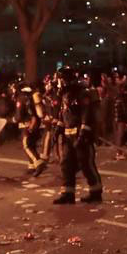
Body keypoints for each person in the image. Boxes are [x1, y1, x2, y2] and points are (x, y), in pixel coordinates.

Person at [53, 67, 103, 204]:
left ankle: (96, 192)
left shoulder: (81, 93)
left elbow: (86, 114)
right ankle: (68, 194)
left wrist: (83, 133)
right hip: (68, 136)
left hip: (81, 135)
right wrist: (58, 129)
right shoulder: (65, 94)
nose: (57, 83)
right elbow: (63, 114)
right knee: (66, 165)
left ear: (65, 79)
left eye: (59, 80)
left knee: (86, 164)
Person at [12, 81, 47, 177]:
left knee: (26, 145)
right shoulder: (31, 96)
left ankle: (39, 164)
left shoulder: (21, 98)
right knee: (32, 145)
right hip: (36, 124)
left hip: (26, 125)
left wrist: (14, 119)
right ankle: (32, 166)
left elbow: (19, 115)